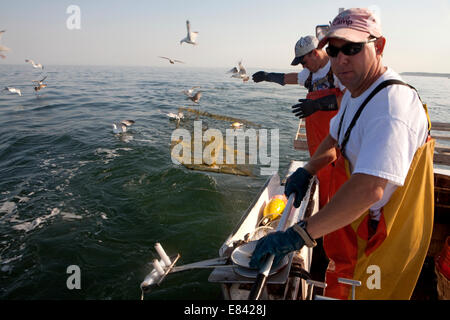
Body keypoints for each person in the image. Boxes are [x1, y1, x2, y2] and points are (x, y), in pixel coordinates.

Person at [249, 8, 434, 300]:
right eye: (334, 51)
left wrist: (298, 235)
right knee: (340, 279)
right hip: (355, 221)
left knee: (364, 293)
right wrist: (308, 169)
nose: (341, 58)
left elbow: (368, 190)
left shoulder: (391, 107)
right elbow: (335, 136)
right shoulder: (355, 89)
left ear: (379, 46)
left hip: (380, 232)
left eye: (352, 48)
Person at [253, 35, 345, 209]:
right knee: (323, 181)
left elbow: (349, 98)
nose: (303, 66)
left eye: (303, 62)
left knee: (339, 183)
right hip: (318, 143)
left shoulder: (339, 68)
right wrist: (268, 76)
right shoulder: (310, 73)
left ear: (315, 54)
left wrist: (318, 104)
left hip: (337, 141)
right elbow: (291, 78)